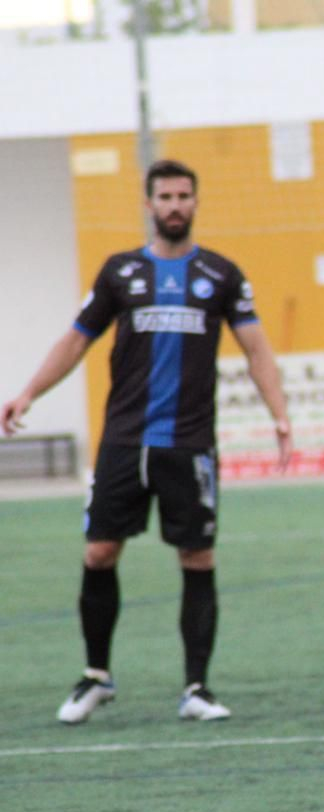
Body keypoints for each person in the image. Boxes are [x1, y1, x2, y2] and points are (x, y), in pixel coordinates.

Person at [1, 159, 293, 725]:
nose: (175, 204)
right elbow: (75, 341)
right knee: (99, 551)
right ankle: (95, 677)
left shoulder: (221, 275)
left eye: (185, 194)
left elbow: (257, 350)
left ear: (196, 202)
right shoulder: (120, 273)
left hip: (189, 445)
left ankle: (197, 688)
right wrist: (29, 392)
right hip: (124, 442)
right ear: (149, 204)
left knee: (197, 556)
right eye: (165, 196)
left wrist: (279, 415)